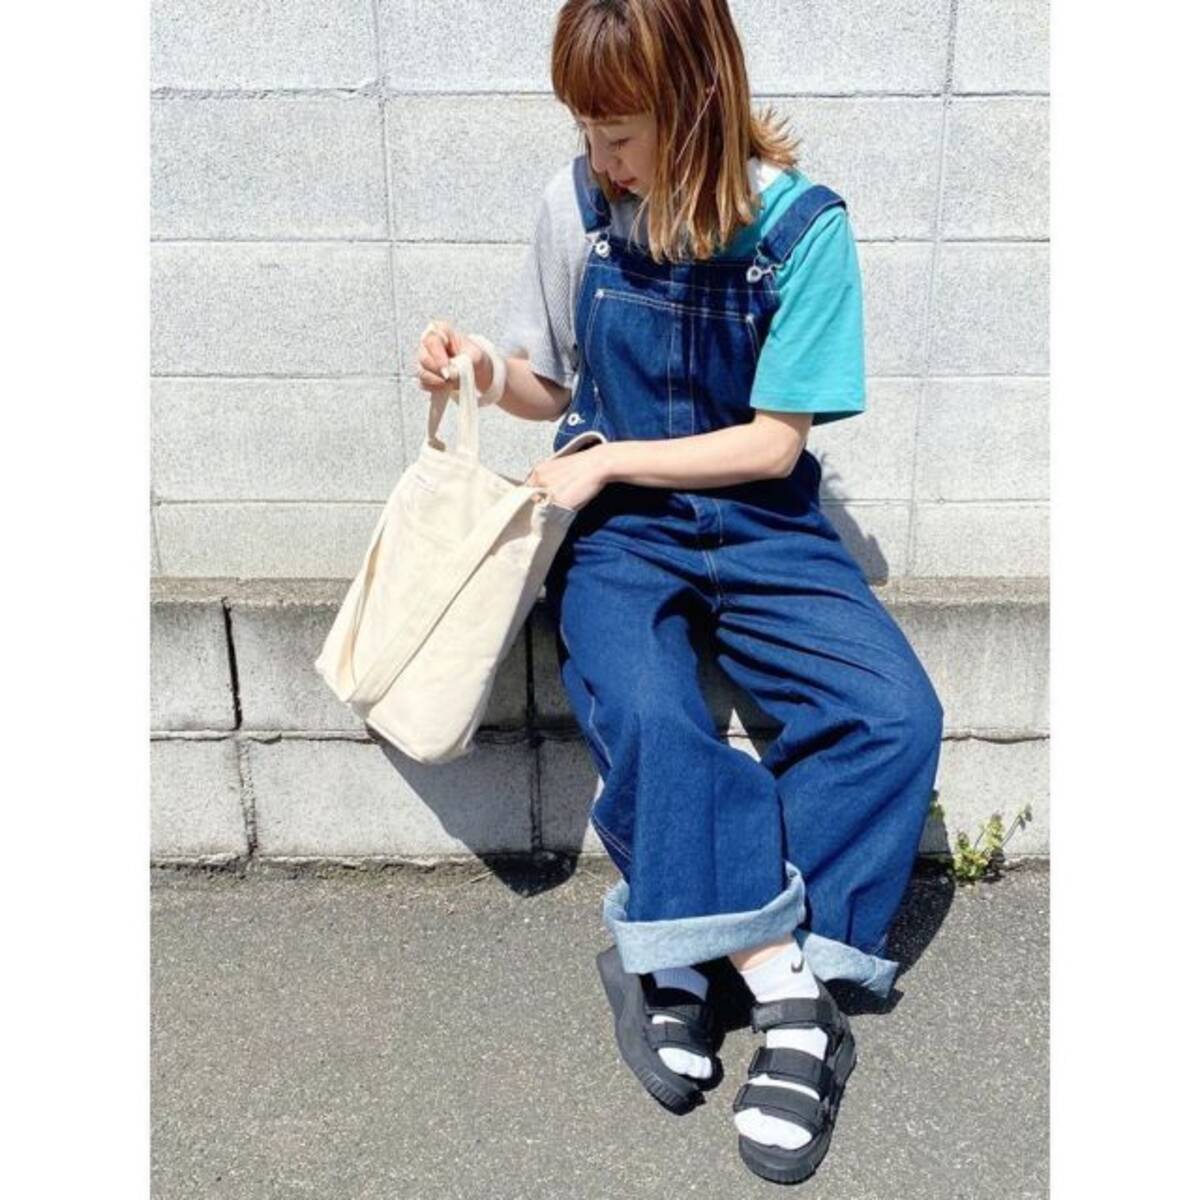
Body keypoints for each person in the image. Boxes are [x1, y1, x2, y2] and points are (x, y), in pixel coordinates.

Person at [413, 0, 944, 1186]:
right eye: (587, 131)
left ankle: (688, 954)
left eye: (619, 133)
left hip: (762, 523)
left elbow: (771, 444)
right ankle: (791, 998)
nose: (599, 157)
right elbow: (551, 386)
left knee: (895, 717)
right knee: (652, 712)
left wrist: (608, 459)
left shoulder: (801, 230)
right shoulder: (575, 206)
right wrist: (482, 369)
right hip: (620, 539)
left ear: (698, 103)